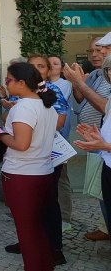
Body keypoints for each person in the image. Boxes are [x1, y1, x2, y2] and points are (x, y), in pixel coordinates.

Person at [0, 62, 58, 271]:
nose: (6, 83)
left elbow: (21, 144)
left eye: (9, 80)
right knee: (37, 226)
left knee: (27, 231)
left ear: (21, 83)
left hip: (22, 175)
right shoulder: (46, 106)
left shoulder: (24, 107)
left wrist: (1, 135)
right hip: (43, 172)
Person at [64, 36, 111, 241]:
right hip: (98, 142)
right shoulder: (96, 75)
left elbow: (104, 106)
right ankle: (105, 226)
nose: (97, 54)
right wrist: (78, 84)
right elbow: (80, 102)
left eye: (102, 49)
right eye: (92, 50)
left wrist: (77, 83)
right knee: (101, 191)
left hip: (103, 144)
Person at [48, 54, 74, 232]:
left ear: (62, 68)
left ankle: (65, 218)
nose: (51, 65)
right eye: (48, 63)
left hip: (58, 139)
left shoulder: (64, 85)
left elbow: (51, 105)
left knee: (61, 177)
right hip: (44, 139)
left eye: (55, 63)